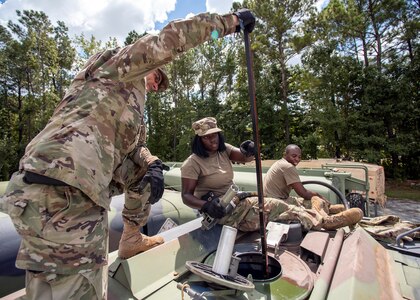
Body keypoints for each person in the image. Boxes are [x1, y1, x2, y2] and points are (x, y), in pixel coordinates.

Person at [0, 9, 256, 300]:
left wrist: (152, 164)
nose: (156, 86)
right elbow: (170, 40)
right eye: (157, 77)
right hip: (65, 189)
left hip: (64, 189)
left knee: (58, 285)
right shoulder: (116, 68)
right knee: (79, 290)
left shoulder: (122, 109)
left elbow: (134, 152)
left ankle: (131, 238)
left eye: (158, 86)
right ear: (150, 65)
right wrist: (229, 23)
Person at [182, 126, 362, 233]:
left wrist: (249, 151)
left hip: (237, 202)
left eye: (214, 135)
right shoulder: (193, 163)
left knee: (281, 206)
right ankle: (326, 223)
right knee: (278, 206)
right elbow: (186, 196)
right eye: (206, 137)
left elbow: (245, 157)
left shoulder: (224, 150)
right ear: (199, 139)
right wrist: (206, 206)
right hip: (221, 212)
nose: (212, 139)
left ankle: (326, 211)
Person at [263, 144, 363, 226]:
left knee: (312, 201)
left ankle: (328, 209)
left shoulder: (280, 163)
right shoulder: (287, 167)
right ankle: (326, 221)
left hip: (276, 201)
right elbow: (303, 193)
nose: (297, 159)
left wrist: (320, 199)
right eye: (294, 156)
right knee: (310, 206)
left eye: (299, 157)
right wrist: (320, 197)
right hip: (275, 205)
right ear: (285, 155)